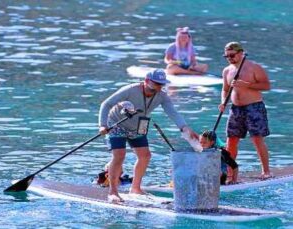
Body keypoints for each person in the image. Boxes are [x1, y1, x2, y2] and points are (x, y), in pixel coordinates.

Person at [99, 69, 199, 203]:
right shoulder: (130, 90)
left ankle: (135, 188)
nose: (159, 87)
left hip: (140, 123)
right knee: (119, 155)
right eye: (156, 83)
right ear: (146, 81)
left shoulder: (162, 95)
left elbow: (173, 112)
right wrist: (102, 125)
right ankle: (113, 192)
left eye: (161, 84)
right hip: (117, 123)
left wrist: (185, 128)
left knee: (145, 156)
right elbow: (106, 104)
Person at [218, 41, 271, 182]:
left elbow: (266, 85)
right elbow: (225, 90)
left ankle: (266, 171)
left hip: (254, 107)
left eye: (232, 55)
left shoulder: (254, 67)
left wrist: (247, 85)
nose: (229, 58)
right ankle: (230, 174)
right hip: (235, 109)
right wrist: (223, 102)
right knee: (231, 141)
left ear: (241, 53)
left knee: (257, 139)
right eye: (227, 56)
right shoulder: (227, 71)